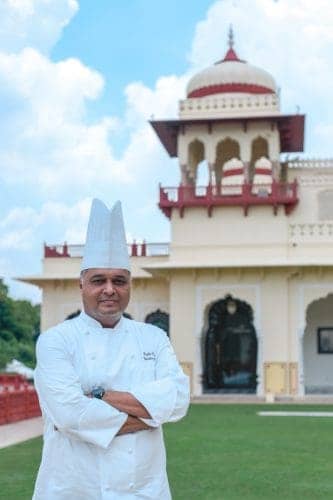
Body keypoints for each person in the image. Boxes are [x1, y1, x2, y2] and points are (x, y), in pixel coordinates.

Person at [33, 199, 190, 500]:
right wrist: (150, 415)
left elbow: (179, 400)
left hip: (144, 489)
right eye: (98, 280)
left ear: (130, 285)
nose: (109, 289)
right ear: (81, 285)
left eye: (119, 280)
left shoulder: (154, 337)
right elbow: (71, 416)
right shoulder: (56, 341)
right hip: (73, 489)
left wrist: (100, 395)